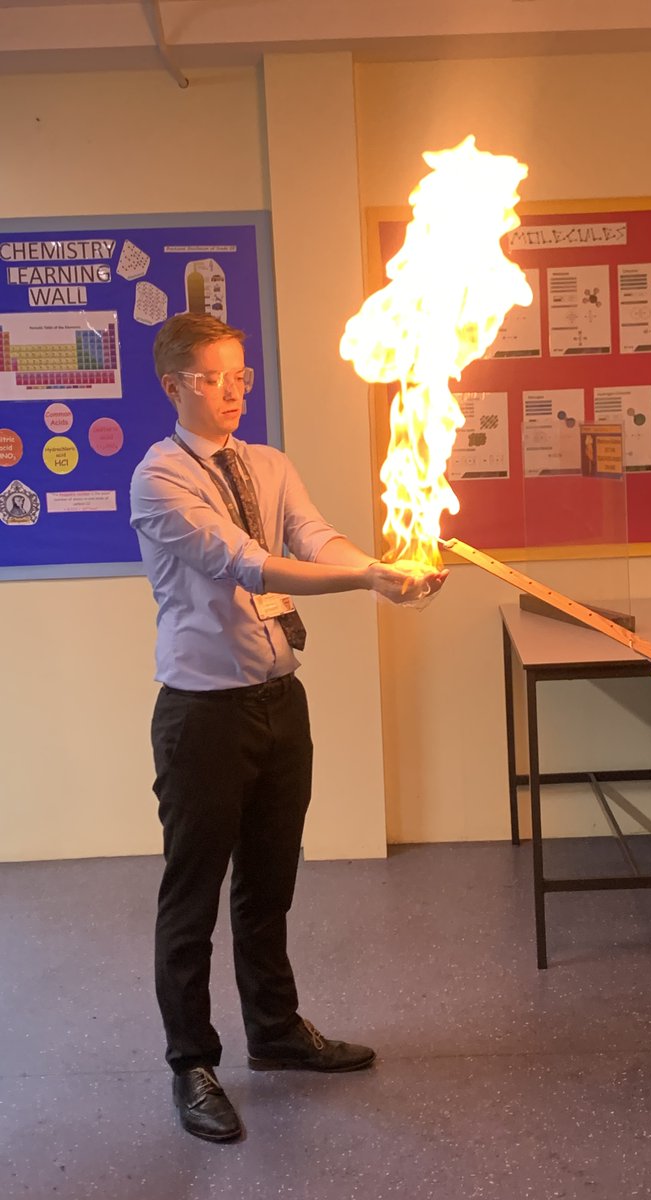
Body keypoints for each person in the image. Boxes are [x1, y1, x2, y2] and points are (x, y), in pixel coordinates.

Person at [130, 312, 444, 1143]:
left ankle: (274, 1032)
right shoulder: (160, 478)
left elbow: (313, 537)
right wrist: (371, 581)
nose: (233, 392)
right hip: (201, 713)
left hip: (278, 701)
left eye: (240, 376)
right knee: (191, 897)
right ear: (173, 386)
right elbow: (247, 562)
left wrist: (378, 563)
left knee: (269, 885)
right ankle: (191, 1062)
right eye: (213, 378)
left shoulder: (267, 463)